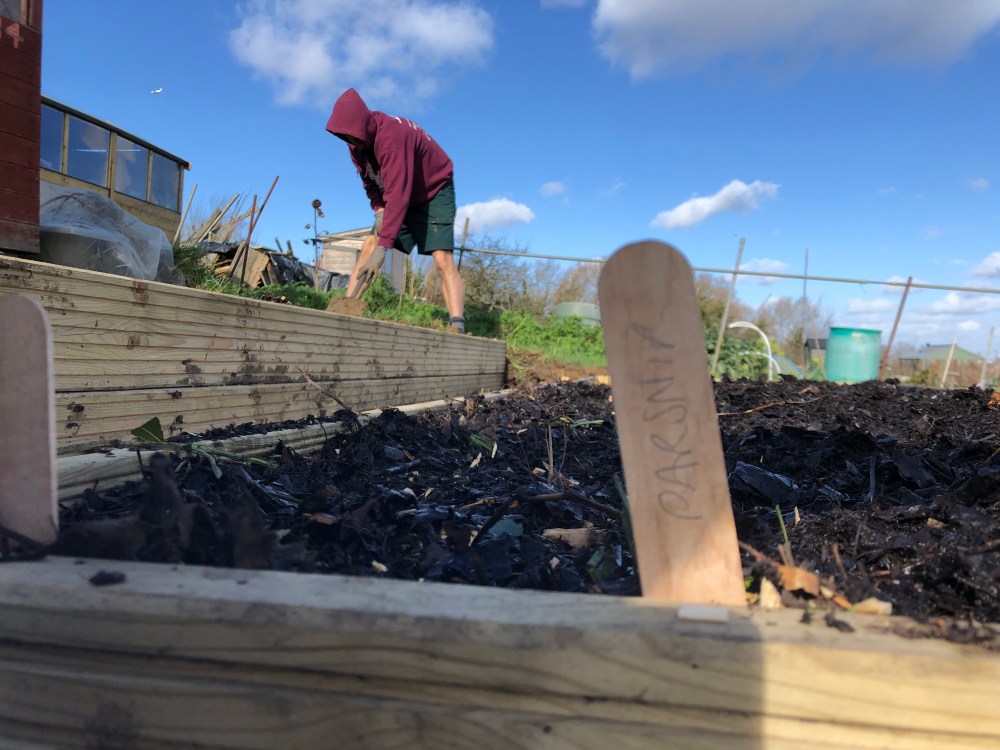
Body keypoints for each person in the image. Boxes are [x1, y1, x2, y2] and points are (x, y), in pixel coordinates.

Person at [326, 88, 466, 333]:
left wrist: (384, 249)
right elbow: (369, 181)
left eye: (354, 137)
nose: (352, 143)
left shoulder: (391, 140)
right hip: (401, 192)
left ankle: (458, 325)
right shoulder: (355, 142)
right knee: (369, 243)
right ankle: (347, 307)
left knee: (442, 258)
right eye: (347, 138)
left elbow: (399, 195)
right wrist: (379, 210)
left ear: (365, 124)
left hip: (434, 190)